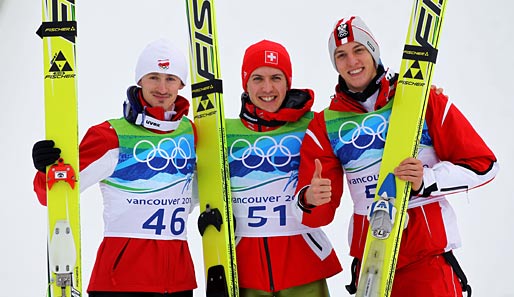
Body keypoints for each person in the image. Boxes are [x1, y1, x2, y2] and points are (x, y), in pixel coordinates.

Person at [293, 16, 499, 297]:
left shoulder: (422, 100)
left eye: (359, 50)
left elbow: (485, 165)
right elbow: (317, 214)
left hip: (428, 262)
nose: (351, 61)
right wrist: (309, 199)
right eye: (341, 55)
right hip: (371, 267)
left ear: (373, 51)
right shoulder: (325, 124)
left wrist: (427, 179)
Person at [32, 39, 198, 297]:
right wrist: (45, 168)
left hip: (178, 282)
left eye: (170, 78)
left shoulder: (194, 135)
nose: (162, 87)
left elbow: (201, 190)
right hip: (120, 282)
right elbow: (51, 195)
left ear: (181, 84)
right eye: (153, 77)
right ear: (140, 81)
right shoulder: (110, 136)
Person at [227, 40, 342, 297]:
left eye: (276, 77)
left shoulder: (316, 125)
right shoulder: (224, 133)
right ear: (245, 83)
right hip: (246, 266)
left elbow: (362, 121)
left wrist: (417, 99)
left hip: (304, 263)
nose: (267, 88)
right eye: (257, 78)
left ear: (287, 82)